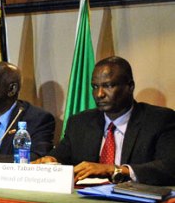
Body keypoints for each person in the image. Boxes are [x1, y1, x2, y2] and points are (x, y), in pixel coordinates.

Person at [34, 56, 175, 185]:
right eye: (95, 87)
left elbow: (169, 167)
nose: (99, 94)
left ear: (130, 87)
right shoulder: (80, 122)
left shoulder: (159, 120)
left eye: (108, 86)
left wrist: (115, 170)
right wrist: (51, 161)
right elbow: (60, 156)